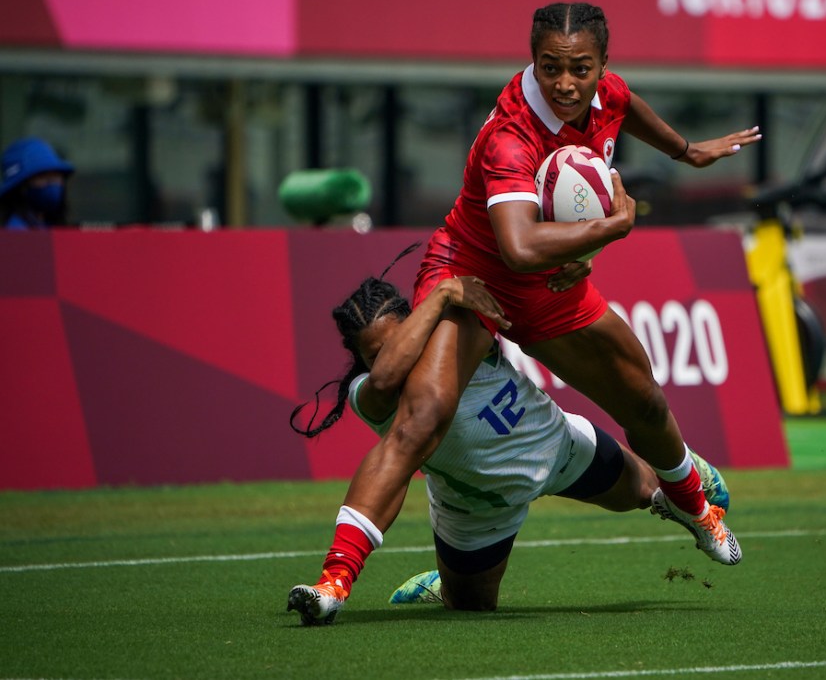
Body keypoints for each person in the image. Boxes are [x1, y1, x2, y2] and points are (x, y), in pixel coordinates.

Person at [292, 1, 760, 620]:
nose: (565, 83)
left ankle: (697, 508)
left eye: (580, 69)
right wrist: (610, 228)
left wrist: (685, 151)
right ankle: (333, 583)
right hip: (473, 274)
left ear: (602, 66)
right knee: (422, 414)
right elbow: (515, 246)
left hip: (545, 285)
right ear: (532, 60)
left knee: (643, 400)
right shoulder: (510, 138)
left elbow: (625, 105)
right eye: (550, 68)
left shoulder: (605, 91)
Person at [287, 258, 732, 623]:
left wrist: (582, 259)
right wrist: (443, 292)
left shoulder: (458, 335)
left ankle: (686, 480)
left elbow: (524, 277)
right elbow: (385, 377)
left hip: (557, 447)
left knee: (646, 491)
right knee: (471, 607)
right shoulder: (369, 395)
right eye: (373, 353)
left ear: (417, 324)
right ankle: (437, 581)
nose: (388, 358)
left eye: (397, 340)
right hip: (476, 509)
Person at [0, 137, 75, 229]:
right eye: (43, 176)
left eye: (56, 176)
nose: (53, 183)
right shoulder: (14, 231)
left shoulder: (50, 225)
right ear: (21, 187)